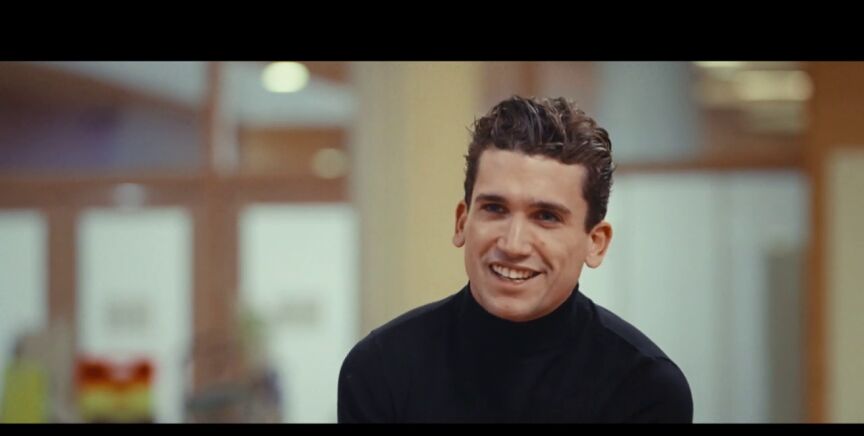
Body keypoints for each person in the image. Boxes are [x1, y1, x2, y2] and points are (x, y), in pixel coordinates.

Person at [338, 96, 693, 423]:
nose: (513, 244)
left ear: (596, 244)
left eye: (546, 217)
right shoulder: (381, 369)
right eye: (495, 208)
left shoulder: (643, 388)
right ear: (462, 223)